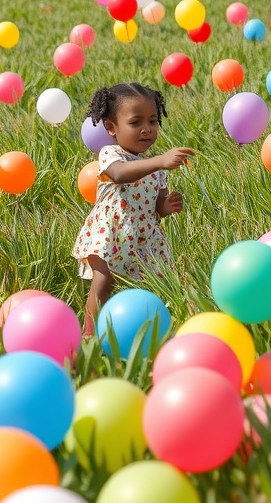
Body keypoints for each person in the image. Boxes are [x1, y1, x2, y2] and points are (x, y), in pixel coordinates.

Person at [73, 82, 194, 334]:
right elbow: (119, 174)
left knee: (151, 286)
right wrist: (160, 161)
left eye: (152, 122)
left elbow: (157, 206)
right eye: (136, 122)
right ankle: (89, 335)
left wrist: (167, 205)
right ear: (111, 128)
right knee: (104, 282)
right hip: (110, 233)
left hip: (143, 237)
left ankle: (138, 329)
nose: (146, 130)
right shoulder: (110, 154)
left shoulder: (154, 168)